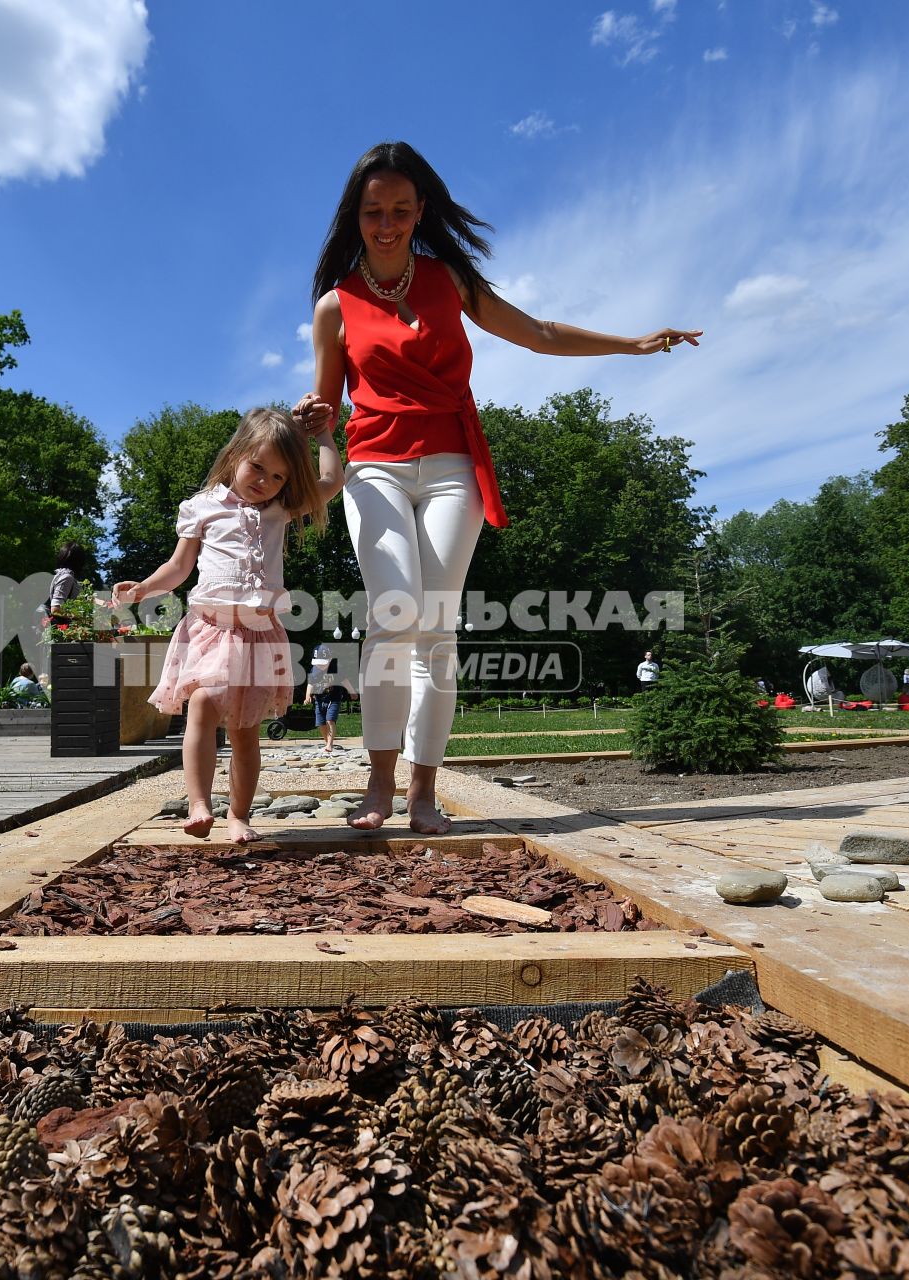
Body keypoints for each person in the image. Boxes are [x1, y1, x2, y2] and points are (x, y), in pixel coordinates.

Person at [292, 141, 700, 836]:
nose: (386, 225)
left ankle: (424, 790)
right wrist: (313, 430)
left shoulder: (448, 279)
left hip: (453, 463)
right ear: (353, 217)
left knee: (435, 628)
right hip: (375, 467)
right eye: (372, 213)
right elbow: (328, 420)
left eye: (399, 210)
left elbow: (538, 333)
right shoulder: (335, 306)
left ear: (421, 210)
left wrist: (634, 344)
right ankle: (379, 783)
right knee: (394, 617)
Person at [113, 408, 342, 841]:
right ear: (236, 453)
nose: (265, 482)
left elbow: (331, 482)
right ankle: (199, 802)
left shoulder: (279, 510)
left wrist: (325, 437)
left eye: (277, 477)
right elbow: (179, 567)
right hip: (211, 629)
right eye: (257, 467)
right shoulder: (202, 507)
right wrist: (144, 588)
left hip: (258, 635)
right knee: (201, 703)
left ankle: (239, 815)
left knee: (245, 732)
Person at [303, 641, 350, 751]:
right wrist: (307, 696)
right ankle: (327, 742)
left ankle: (329, 744)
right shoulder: (314, 670)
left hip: (333, 699)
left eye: (323, 663)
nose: (320, 666)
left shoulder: (336, 669)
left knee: (330, 720)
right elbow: (310, 683)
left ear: (329, 659)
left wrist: (351, 692)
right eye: (318, 663)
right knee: (321, 723)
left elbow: (345, 681)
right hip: (319, 700)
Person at [47, 541, 90, 622]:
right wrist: (81, 618)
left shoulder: (61, 575)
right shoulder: (67, 577)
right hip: (64, 628)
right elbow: (55, 610)